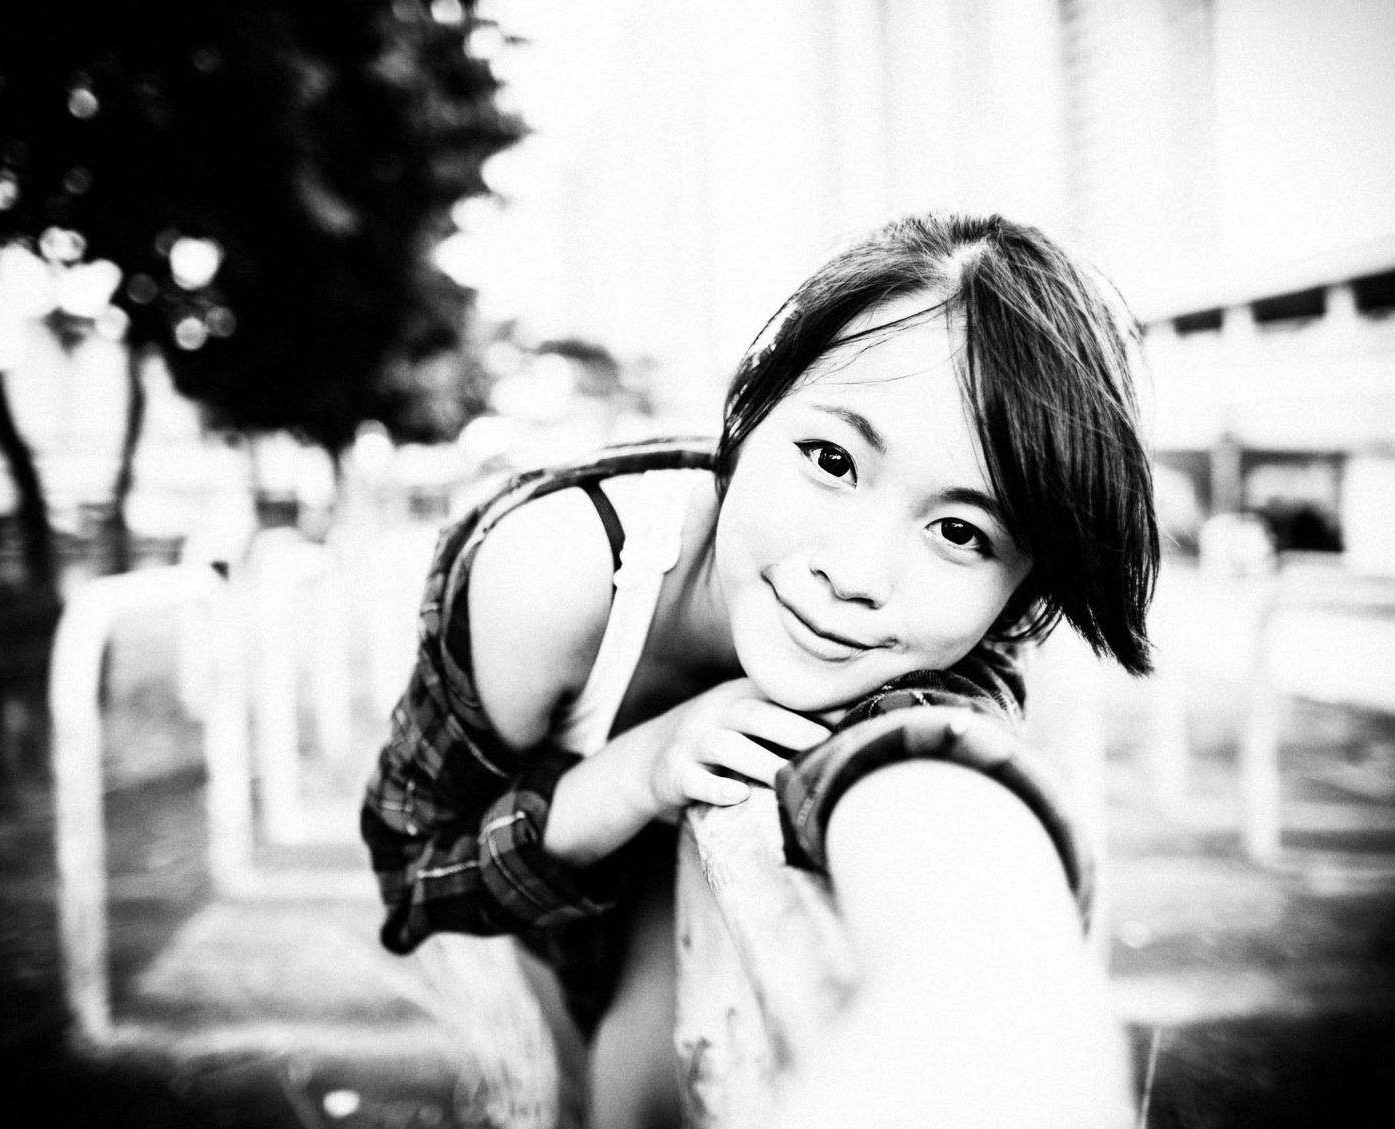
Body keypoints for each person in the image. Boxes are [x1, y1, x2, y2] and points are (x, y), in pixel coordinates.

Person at [362, 212, 1160, 1127]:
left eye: (959, 530)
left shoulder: (956, 643)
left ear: (1019, 593)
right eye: (833, 459)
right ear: (753, 411)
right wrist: (636, 771)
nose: (854, 573)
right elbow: (414, 873)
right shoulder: (556, 573)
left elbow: (955, 872)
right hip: (554, 958)